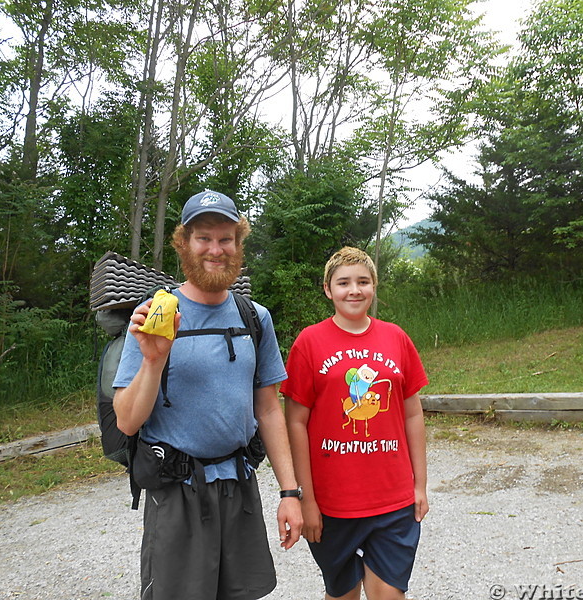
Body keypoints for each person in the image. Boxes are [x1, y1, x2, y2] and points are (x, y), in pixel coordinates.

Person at [112, 190, 303, 600]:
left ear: (238, 244)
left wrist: (290, 493)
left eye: (226, 238)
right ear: (184, 243)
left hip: (240, 486)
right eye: (204, 238)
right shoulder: (153, 316)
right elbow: (127, 420)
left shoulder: (255, 317)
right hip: (177, 492)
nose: (215, 250)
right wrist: (153, 360)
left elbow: (269, 410)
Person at [281, 246, 429, 600]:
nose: (354, 290)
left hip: (392, 501)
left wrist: (419, 485)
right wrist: (308, 500)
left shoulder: (396, 338)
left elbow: (412, 413)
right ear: (328, 289)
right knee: (343, 594)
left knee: (390, 595)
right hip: (333, 505)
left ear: (374, 286)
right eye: (344, 282)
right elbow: (295, 424)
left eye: (363, 281)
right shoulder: (308, 343)